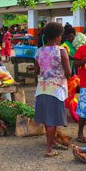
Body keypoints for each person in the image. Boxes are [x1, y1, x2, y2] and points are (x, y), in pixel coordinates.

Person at [33, 23, 71, 157]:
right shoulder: (61, 50)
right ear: (57, 37)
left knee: (46, 117)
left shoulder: (39, 51)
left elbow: (36, 70)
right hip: (55, 90)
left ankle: (53, 142)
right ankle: (49, 149)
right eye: (60, 36)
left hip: (42, 88)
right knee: (51, 120)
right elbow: (68, 71)